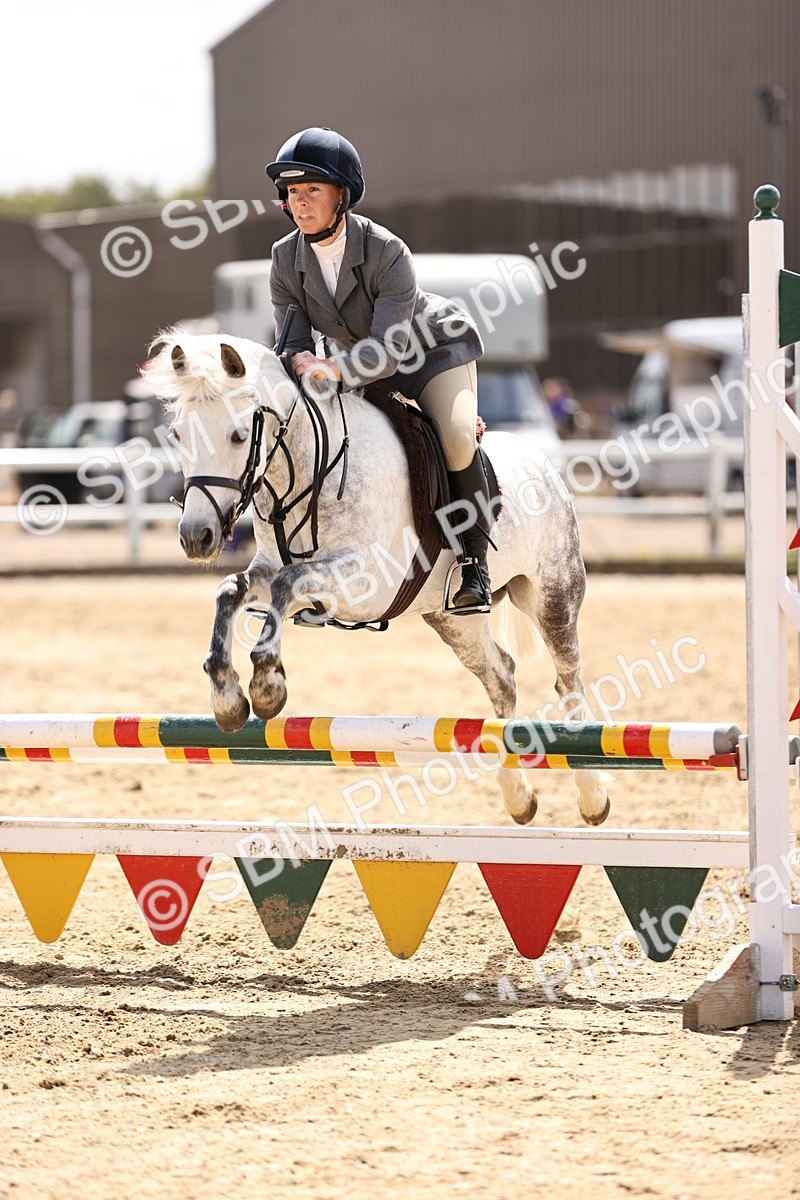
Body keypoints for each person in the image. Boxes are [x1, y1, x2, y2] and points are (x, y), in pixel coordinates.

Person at [265, 126, 494, 613]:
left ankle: (474, 563)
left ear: (341, 196)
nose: (300, 202)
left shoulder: (387, 251)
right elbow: (293, 346)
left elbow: (388, 352)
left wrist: (329, 367)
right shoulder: (284, 259)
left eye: (312, 189)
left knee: (456, 438)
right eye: (292, 191)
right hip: (357, 365)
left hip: (431, 353)